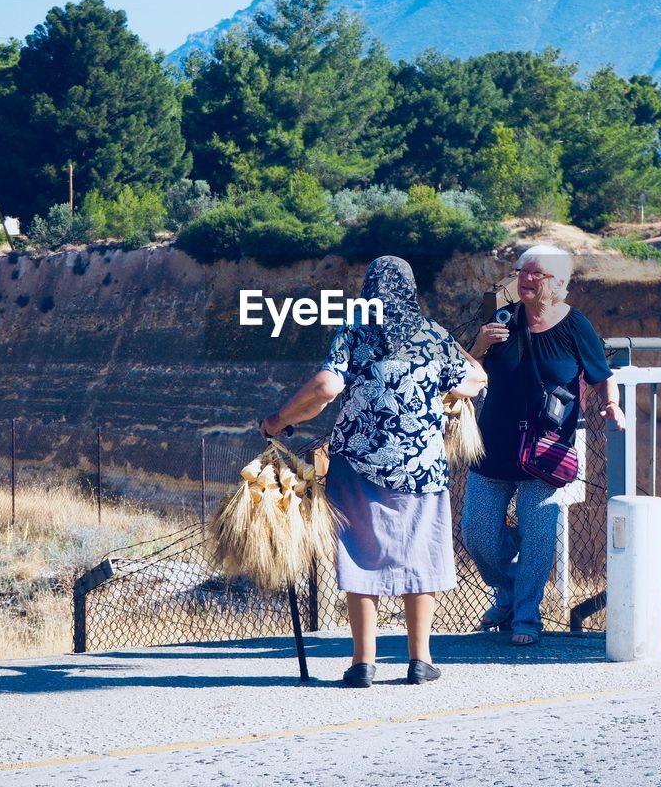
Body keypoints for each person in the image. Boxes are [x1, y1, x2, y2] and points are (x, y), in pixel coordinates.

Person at [260, 256, 486, 688]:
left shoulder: (356, 328)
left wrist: (278, 421)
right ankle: (420, 661)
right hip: (420, 466)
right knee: (420, 554)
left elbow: (326, 388)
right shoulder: (432, 335)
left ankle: (363, 662)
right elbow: (475, 378)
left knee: (361, 554)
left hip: (358, 463)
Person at [461, 244, 625, 647]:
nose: (526, 279)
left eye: (536, 273)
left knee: (538, 538)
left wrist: (612, 405)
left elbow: (602, 374)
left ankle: (526, 617)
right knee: (477, 534)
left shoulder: (575, 326)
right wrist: (481, 343)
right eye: (522, 272)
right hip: (493, 443)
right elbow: (466, 370)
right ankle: (514, 592)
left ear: (560, 283)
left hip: (546, 450)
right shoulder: (502, 319)